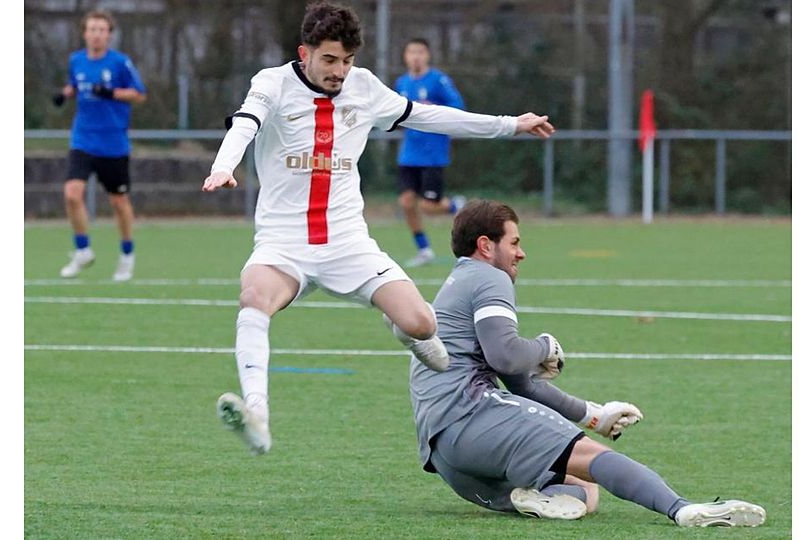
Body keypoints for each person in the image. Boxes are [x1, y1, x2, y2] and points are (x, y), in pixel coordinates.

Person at [202, 1, 555, 456]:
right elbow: (247, 122)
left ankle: (405, 328)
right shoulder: (271, 83)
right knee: (253, 299)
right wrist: (223, 166)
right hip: (283, 244)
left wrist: (509, 125)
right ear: (304, 52)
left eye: (347, 61)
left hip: (349, 244)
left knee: (422, 323)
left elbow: (430, 116)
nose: (339, 71)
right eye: (329, 59)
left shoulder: (364, 88)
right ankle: (258, 416)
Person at [409, 199, 767, 527]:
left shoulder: (460, 281)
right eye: (514, 242)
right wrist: (544, 346)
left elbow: (520, 383)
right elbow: (506, 355)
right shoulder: (489, 276)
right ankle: (682, 509)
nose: (522, 253)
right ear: (486, 245)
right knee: (596, 458)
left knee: (583, 489)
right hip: (469, 416)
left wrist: (594, 415)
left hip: (447, 456)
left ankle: (539, 498)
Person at [53, 10, 147, 282]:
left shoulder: (120, 63)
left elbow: (139, 94)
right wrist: (65, 94)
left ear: (109, 34)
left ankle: (127, 255)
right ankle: (82, 249)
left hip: (113, 143)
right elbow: (75, 84)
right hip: (83, 139)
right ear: (84, 33)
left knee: (119, 202)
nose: (96, 34)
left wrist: (111, 93)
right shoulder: (76, 60)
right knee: (72, 194)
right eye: (91, 29)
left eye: (101, 29)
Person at [394, 38, 467, 267]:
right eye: (411, 51)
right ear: (405, 56)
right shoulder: (402, 83)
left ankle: (456, 206)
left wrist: (432, 109)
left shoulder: (438, 80)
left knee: (428, 206)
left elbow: (458, 106)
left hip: (433, 153)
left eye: (420, 52)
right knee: (406, 202)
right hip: (409, 154)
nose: (415, 56)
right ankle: (424, 250)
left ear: (427, 55)